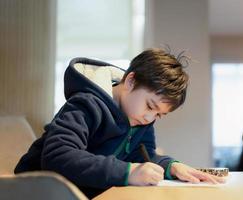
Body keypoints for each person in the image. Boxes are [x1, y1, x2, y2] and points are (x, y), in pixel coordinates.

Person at [15, 48, 224, 198]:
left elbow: (143, 156)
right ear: (131, 81)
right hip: (36, 191)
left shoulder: (139, 118)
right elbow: (57, 156)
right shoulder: (86, 104)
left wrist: (172, 166)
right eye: (150, 107)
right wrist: (128, 172)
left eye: (159, 115)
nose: (150, 118)